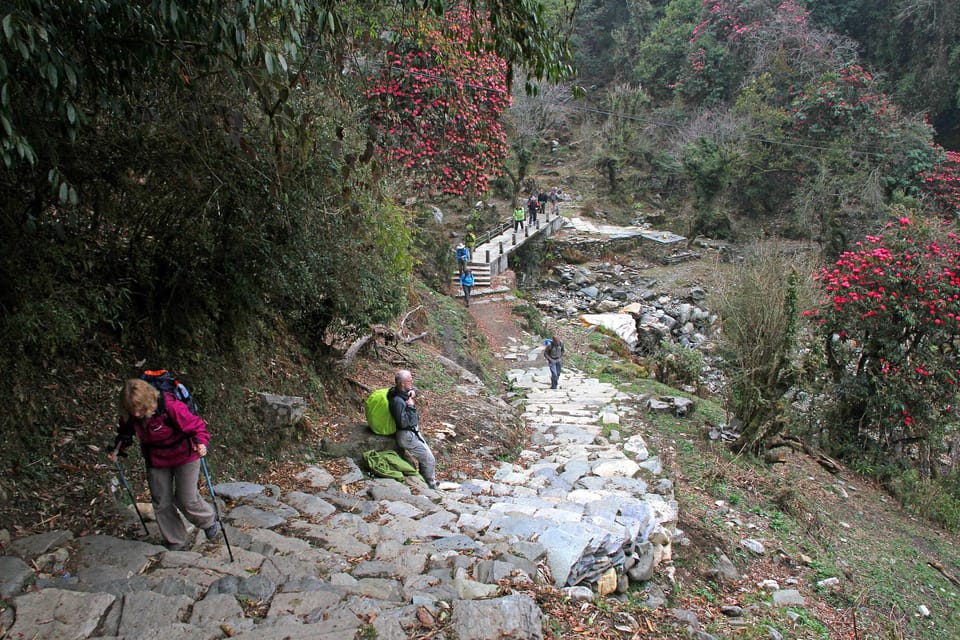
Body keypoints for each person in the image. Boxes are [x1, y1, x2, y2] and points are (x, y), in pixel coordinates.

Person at [108, 378, 221, 550]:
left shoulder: (170, 406)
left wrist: (201, 443)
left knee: (186, 499)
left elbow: (196, 426)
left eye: (139, 409)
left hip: (185, 455)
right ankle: (177, 541)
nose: (136, 414)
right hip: (156, 458)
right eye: (133, 410)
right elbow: (125, 433)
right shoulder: (132, 414)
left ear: (147, 400)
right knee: (161, 502)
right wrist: (117, 449)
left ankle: (209, 521)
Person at [387, 370, 438, 489]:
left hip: (412, 433)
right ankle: (430, 486)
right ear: (402, 384)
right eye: (410, 381)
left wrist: (413, 392)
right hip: (406, 435)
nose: (412, 382)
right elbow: (403, 423)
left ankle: (424, 482)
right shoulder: (398, 401)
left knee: (425, 458)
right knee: (429, 459)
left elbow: (415, 390)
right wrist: (410, 406)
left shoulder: (401, 392)